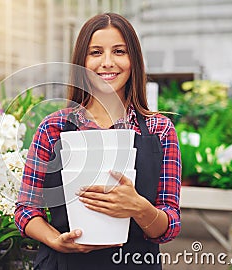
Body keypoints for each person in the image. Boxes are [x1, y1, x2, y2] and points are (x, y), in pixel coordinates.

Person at [14, 13, 181, 269]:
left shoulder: (160, 131)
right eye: (95, 52)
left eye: (119, 51)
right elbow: (26, 211)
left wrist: (139, 207)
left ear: (133, 60)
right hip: (63, 263)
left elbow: (169, 225)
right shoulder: (53, 128)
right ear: (82, 61)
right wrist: (56, 240)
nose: (107, 62)